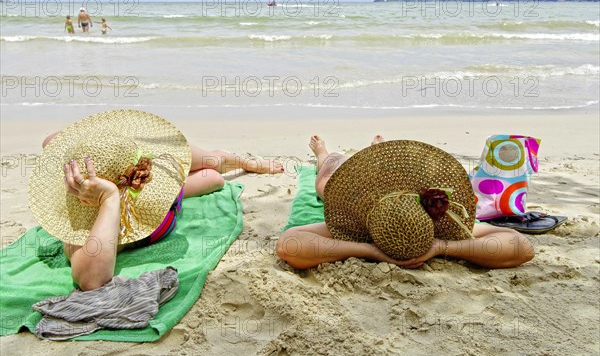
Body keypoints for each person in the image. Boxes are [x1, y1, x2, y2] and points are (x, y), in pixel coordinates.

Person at [31, 110, 284, 292]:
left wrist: (100, 145)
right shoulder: (81, 224)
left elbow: (53, 140)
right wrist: (109, 198)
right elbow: (91, 280)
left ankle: (244, 161)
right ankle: (218, 168)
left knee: (212, 161)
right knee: (213, 178)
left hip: (150, 168)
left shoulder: (115, 165)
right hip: (157, 211)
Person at [277, 135, 535, 270]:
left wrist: (370, 251)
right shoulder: (444, 226)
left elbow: (289, 245)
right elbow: (520, 246)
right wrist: (443, 245)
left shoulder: (362, 231)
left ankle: (326, 154)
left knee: (326, 183)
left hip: (375, 204)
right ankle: (353, 152)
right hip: (392, 196)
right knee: (331, 181)